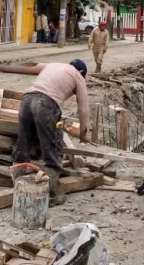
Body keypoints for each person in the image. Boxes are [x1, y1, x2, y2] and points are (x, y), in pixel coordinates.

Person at [10, 59, 91, 206]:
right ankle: (50, 196)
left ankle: (17, 187)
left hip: (26, 100)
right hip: (45, 104)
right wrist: (83, 133)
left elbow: (37, 66)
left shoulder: (53, 65)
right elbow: (83, 108)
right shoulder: (78, 76)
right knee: (53, 150)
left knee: (23, 145)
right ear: (81, 72)